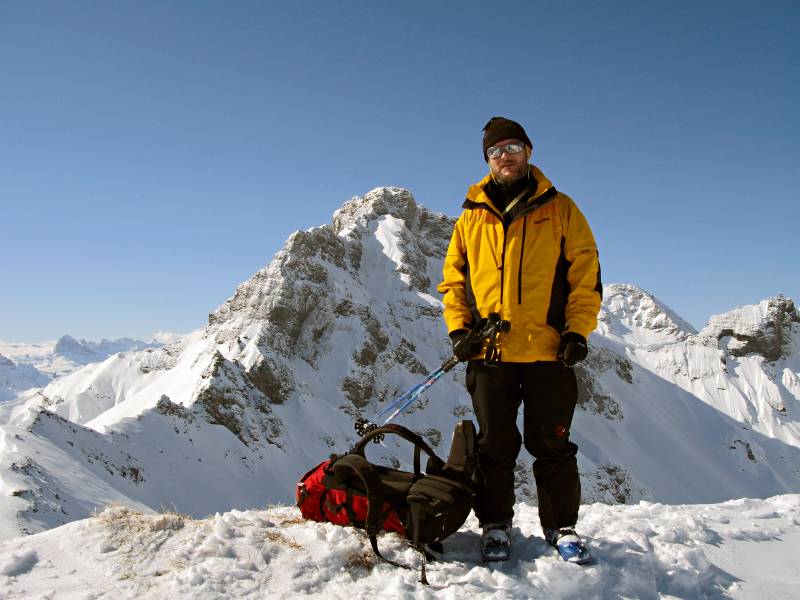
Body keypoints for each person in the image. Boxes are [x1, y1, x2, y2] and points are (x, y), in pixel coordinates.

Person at [437, 116, 602, 562]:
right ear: (488, 161)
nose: (504, 157)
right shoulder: (471, 216)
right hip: (491, 352)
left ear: (529, 151)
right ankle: (495, 525)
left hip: (550, 351)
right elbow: (454, 281)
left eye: (512, 147)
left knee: (552, 444)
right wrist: (459, 330)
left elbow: (586, 274)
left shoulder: (561, 207)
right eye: (495, 151)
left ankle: (561, 527)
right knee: (494, 446)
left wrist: (577, 332)